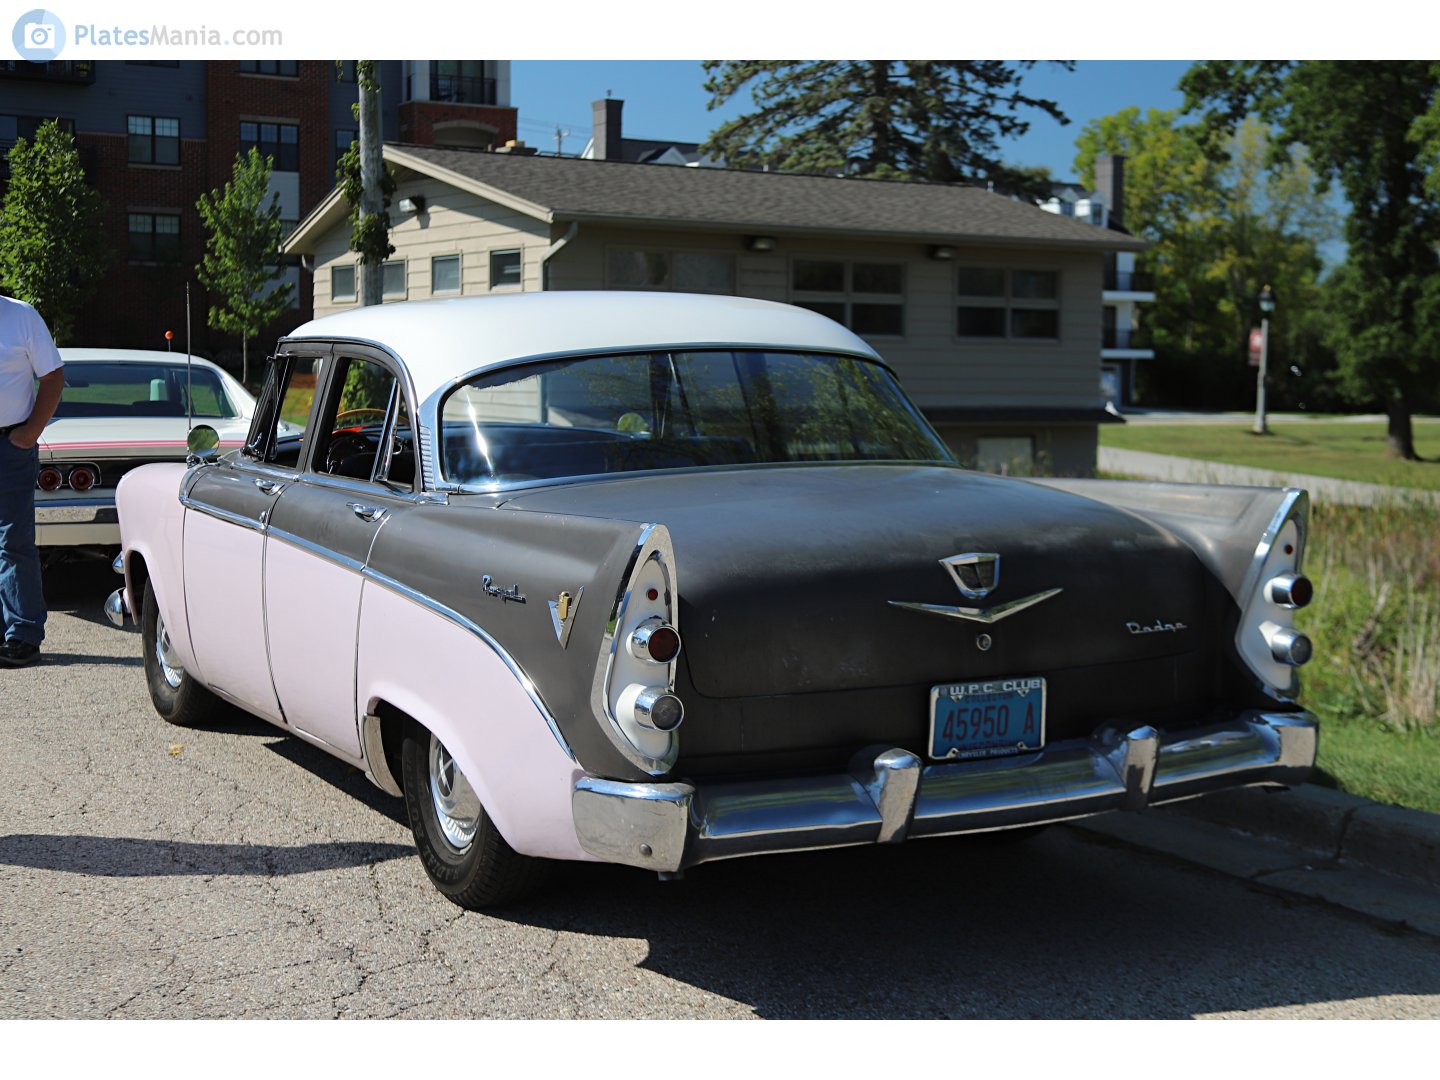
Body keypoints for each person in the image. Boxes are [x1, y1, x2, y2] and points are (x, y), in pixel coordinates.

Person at [0, 295, 64, 667]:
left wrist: (29, 433)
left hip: (10, 445)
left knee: (12, 541)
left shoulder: (21, 316)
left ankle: (23, 633)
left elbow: (54, 378)